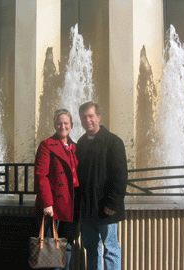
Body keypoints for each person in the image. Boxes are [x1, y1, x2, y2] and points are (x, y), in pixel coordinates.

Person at [76, 102, 127, 270]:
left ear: (98, 117)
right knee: (91, 248)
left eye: (91, 116)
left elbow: (120, 176)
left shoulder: (113, 142)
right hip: (88, 208)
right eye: (84, 117)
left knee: (110, 248)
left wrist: (113, 204)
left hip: (107, 209)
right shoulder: (81, 143)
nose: (87, 120)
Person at [33, 109, 80, 270]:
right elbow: (41, 176)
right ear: (54, 125)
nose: (63, 126)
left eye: (66, 123)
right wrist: (47, 203)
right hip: (54, 207)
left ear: (71, 125)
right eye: (59, 123)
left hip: (71, 205)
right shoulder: (47, 145)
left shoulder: (75, 147)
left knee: (66, 246)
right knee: (52, 249)